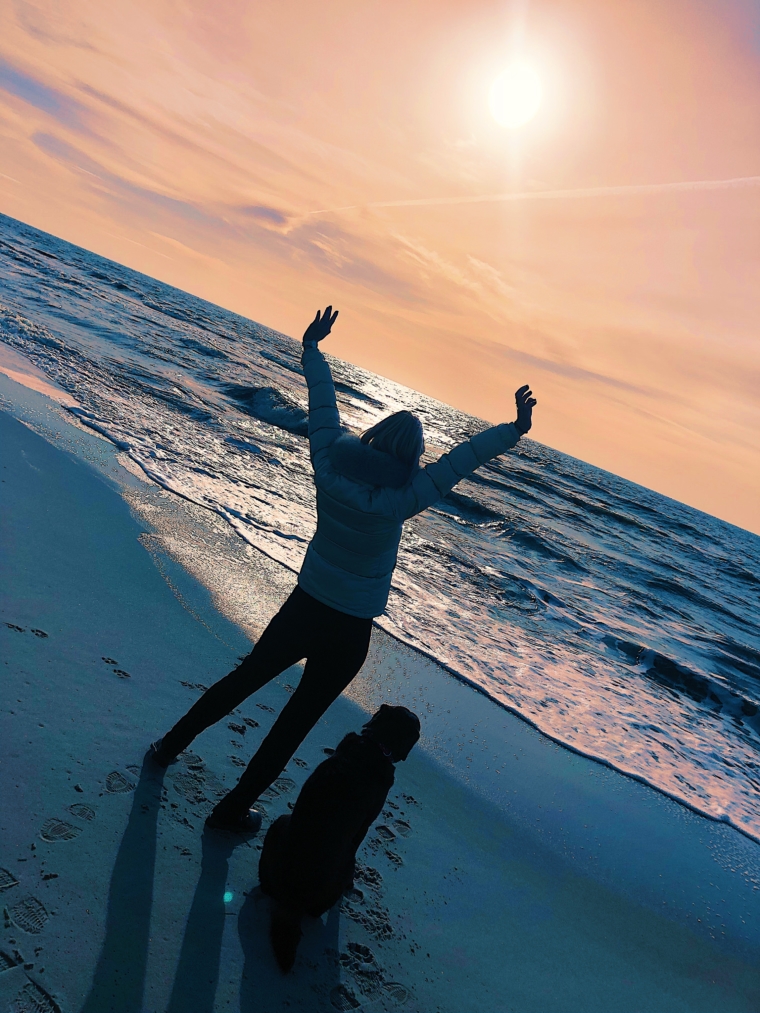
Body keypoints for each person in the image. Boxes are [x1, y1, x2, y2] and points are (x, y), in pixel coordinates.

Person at [150, 306, 536, 832]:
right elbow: (462, 460)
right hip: (350, 629)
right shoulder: (407, 497)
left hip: (304, 605)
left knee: (244, 679)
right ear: (412, 456)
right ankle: (231, 810)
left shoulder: (328, 463)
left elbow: (324, 405)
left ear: (374, 433)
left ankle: (168, 747)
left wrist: (312, 349)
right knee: (293, 726)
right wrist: (513, 429)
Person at [259, 704, 421, 973]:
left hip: (274, 876)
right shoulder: (379, 778)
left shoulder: (347, 751)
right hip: (316, 901)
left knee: (287, 824)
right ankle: (299, 908)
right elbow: (355, 839)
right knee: (342, 848)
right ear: (403, 748)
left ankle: (287, 903)